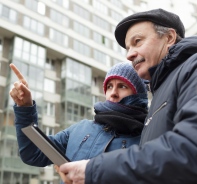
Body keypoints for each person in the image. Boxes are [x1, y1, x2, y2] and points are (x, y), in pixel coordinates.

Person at [58, 8, 197, 184]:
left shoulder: (192, 67)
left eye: (137, 41)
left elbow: (189, 150)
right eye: (128, 47)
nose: (129, 54)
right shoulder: (160, 92)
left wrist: (94, 170)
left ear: (169, 38)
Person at [9, 62, 148, 168]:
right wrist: (25, 107)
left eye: (123, 86)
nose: (113, 93)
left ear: (138, 94)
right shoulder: (80, 129)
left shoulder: (148, 138)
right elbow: (33, 153)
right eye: (109, 86)